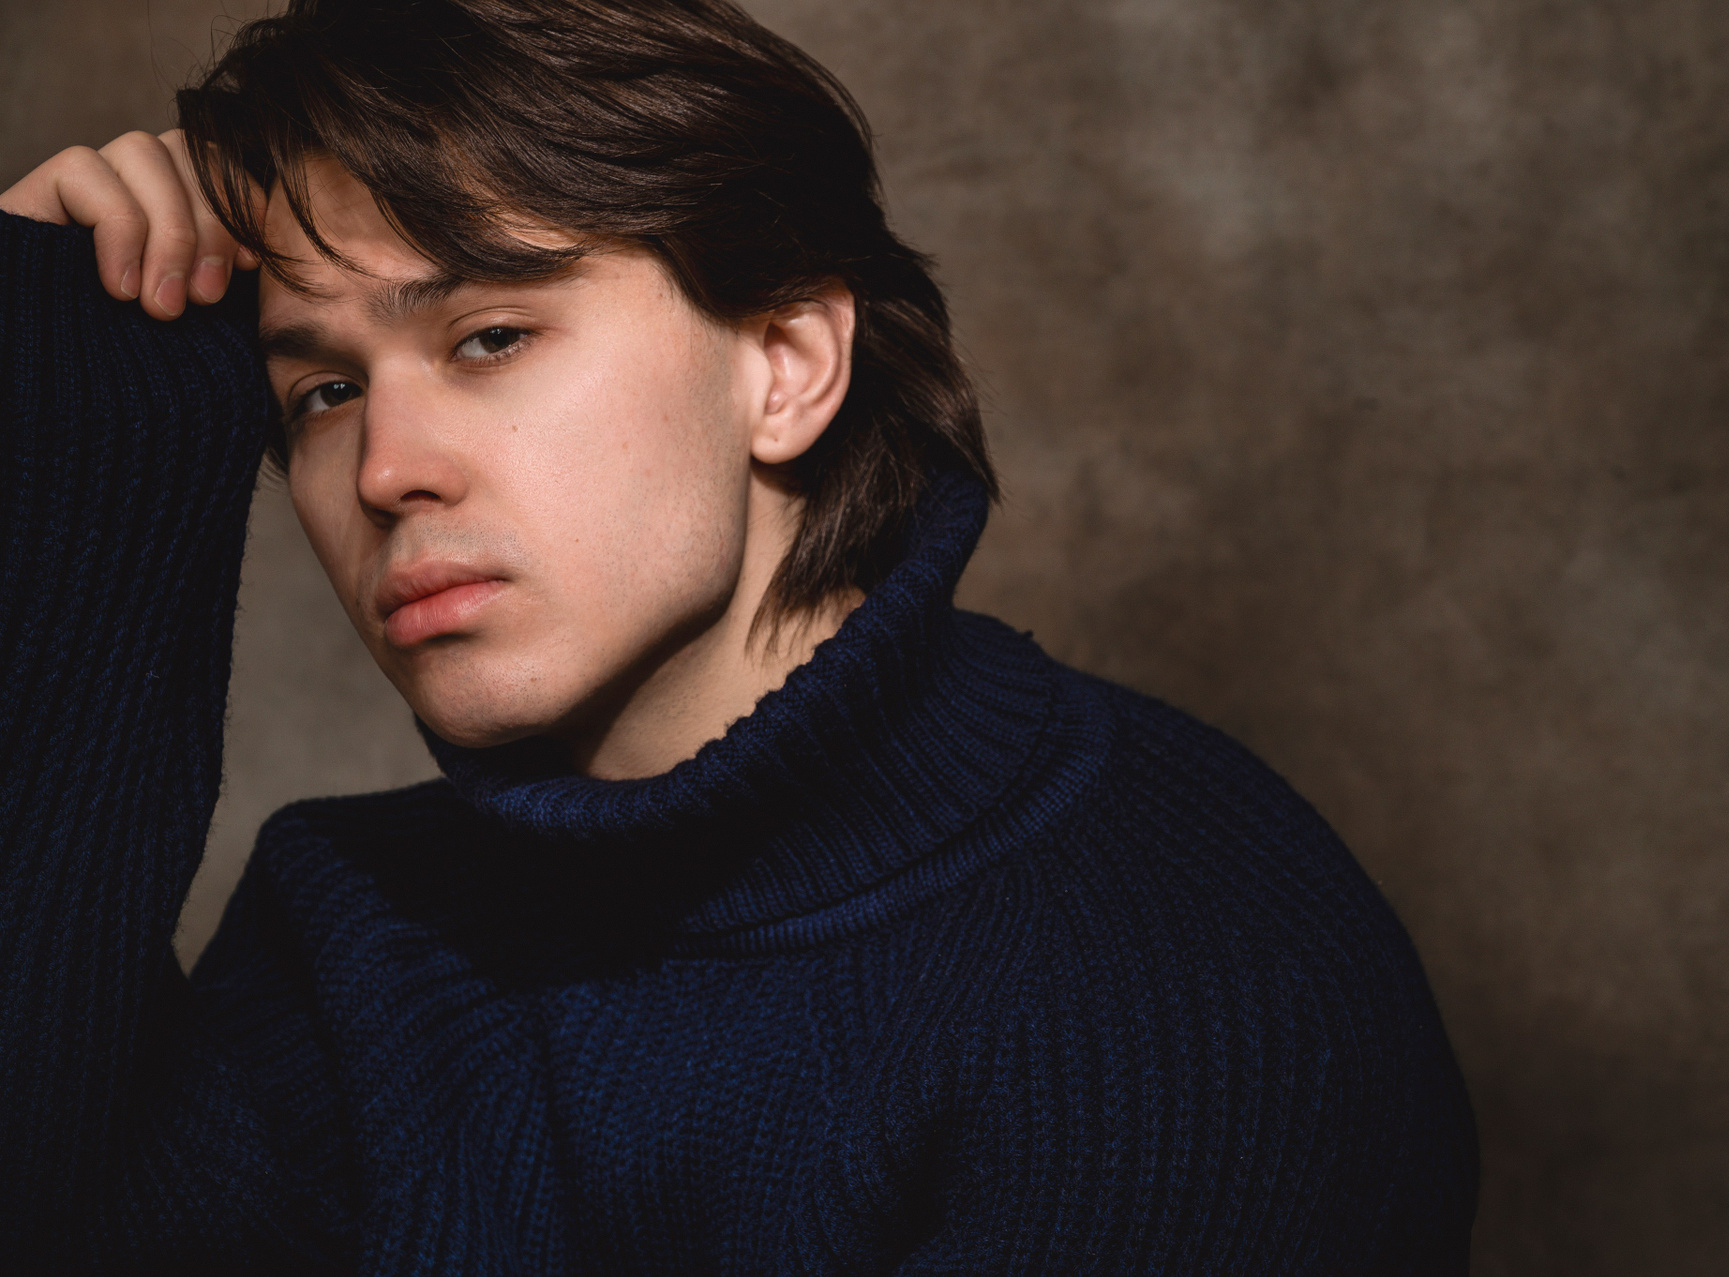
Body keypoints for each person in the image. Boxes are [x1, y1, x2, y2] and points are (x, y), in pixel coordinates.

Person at [0, 0, 1477, 1270]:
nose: (387, 469)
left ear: (786, 364)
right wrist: (71, 409)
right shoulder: (352, 932)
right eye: (322, 392)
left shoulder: (1189, 976)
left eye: (490, 337)